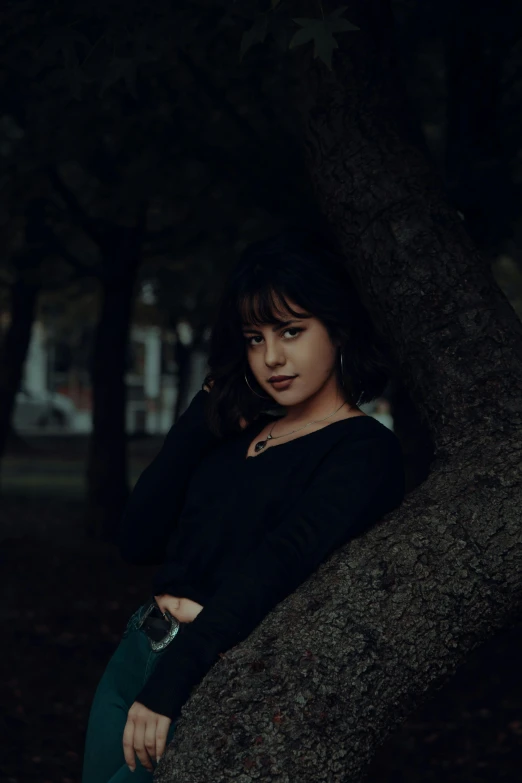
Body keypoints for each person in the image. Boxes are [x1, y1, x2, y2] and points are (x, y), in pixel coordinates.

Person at [81, 228, 406, 782]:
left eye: (292, 331)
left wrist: (170, 685)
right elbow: (137, 540)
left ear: (339, 329)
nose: (272, 357)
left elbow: (275, 568)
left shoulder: (363, 450)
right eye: (255, 338)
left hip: (208, 676)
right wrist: (201, 414)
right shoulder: (238, 433)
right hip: (137, 651)